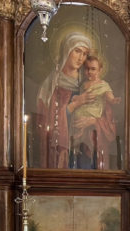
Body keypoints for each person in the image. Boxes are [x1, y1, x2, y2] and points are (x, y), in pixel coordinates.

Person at [37, 33, 94, 169]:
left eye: (85, 54)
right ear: (67, 50)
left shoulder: (88, 82)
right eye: (77, 51)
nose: (81, 58)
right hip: (59, 150)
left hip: (83, 148)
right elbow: (44, 120)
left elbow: (104, 116)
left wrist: (93, 121)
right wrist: (75, 105)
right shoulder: (51, 83)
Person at [69, 55, 121, 169]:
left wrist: (113, 100)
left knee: (89, 152)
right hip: (79, 116)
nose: (89, 72)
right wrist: (77, 99)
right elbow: (75, 99)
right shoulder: (82, 84)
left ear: (100, 70)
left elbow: (109, 96)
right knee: (77, 148)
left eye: (93, 69)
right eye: (87, 69)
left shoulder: (103, 85)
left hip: (94, 123)